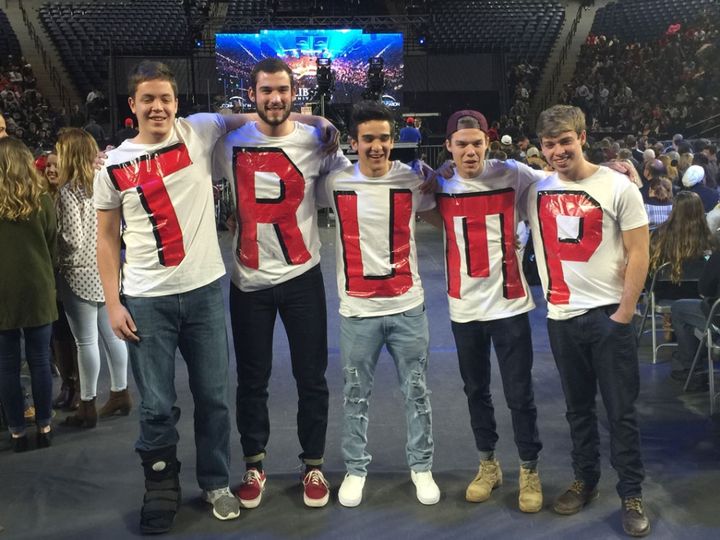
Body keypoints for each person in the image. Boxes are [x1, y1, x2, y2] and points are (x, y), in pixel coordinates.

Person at [94, 60, 249, 532]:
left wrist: (317, 122)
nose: (158, 107)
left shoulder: (198, 132)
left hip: (202, 292)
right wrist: (114, 302)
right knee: (158, 404)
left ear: (177, 102)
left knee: (215, 398)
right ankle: (161, 485)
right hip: (145, 300)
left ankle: (216, 481)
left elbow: (261, 118)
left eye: (165, 98)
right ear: (133, 105)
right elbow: (105, 238)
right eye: (148, 99)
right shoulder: (114, 165)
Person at [213, 57, 350, 509]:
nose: (275, 99)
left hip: (302, 276)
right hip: (248, 280)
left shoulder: (317, 140)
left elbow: (353, 183)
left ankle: (313, 464)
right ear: (251, 95)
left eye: (283, 91)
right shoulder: (227, 141)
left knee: (312, 378)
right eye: (266, 91)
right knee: (251, 380)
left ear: (296, 94)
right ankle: (254, 463)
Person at [527, 105, 650, 537]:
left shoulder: (618, 187)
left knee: (621, 413)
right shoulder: (535, 188)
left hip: (608, 318)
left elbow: (639, 252)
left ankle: (631, 493)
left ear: (583, 135)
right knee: (577, 410)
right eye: (549, 143)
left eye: (565, 141)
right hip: (561, 318)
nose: (558, 150)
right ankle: (586, 479)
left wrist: (624, 313)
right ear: (540, 148)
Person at [317, 101, 440, 508]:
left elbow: (446, 205)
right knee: (355, 394)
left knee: (417, 392)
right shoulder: (334, 182)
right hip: (357, 312)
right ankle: (356, 469)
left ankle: (421, 466)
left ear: (394, 140)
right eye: (367, 139)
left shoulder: (413, 180)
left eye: (383, 138)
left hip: (407, 306)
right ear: (354, 142)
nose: (376, 146)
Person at [435, 109, 544, 512]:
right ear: (449, 146)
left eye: (476, 143)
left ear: (487, 144)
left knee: (520, 393)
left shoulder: (512, 173)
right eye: (461, 144)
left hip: (510, 303)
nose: (469, 151)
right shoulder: (440, 182)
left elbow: (555, 185)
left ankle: (529, 468)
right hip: (464, 306)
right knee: (475, 390)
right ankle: (488, 464)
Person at [55, 128, 131, 428]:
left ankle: (87, 404)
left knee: (85, 342)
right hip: (107, 268)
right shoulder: (102, 181)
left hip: (78, 274)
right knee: (113, 336)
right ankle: (120, 393)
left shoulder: (68, 190)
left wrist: (58, 259)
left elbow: (72, 238)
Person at [0, 137, 57, 452]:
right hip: (37, 285)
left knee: (7, 365)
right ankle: (45, 425)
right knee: (39, 360)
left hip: (2, 291)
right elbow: (52, 241)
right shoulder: (42, 199)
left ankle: (17, 431)